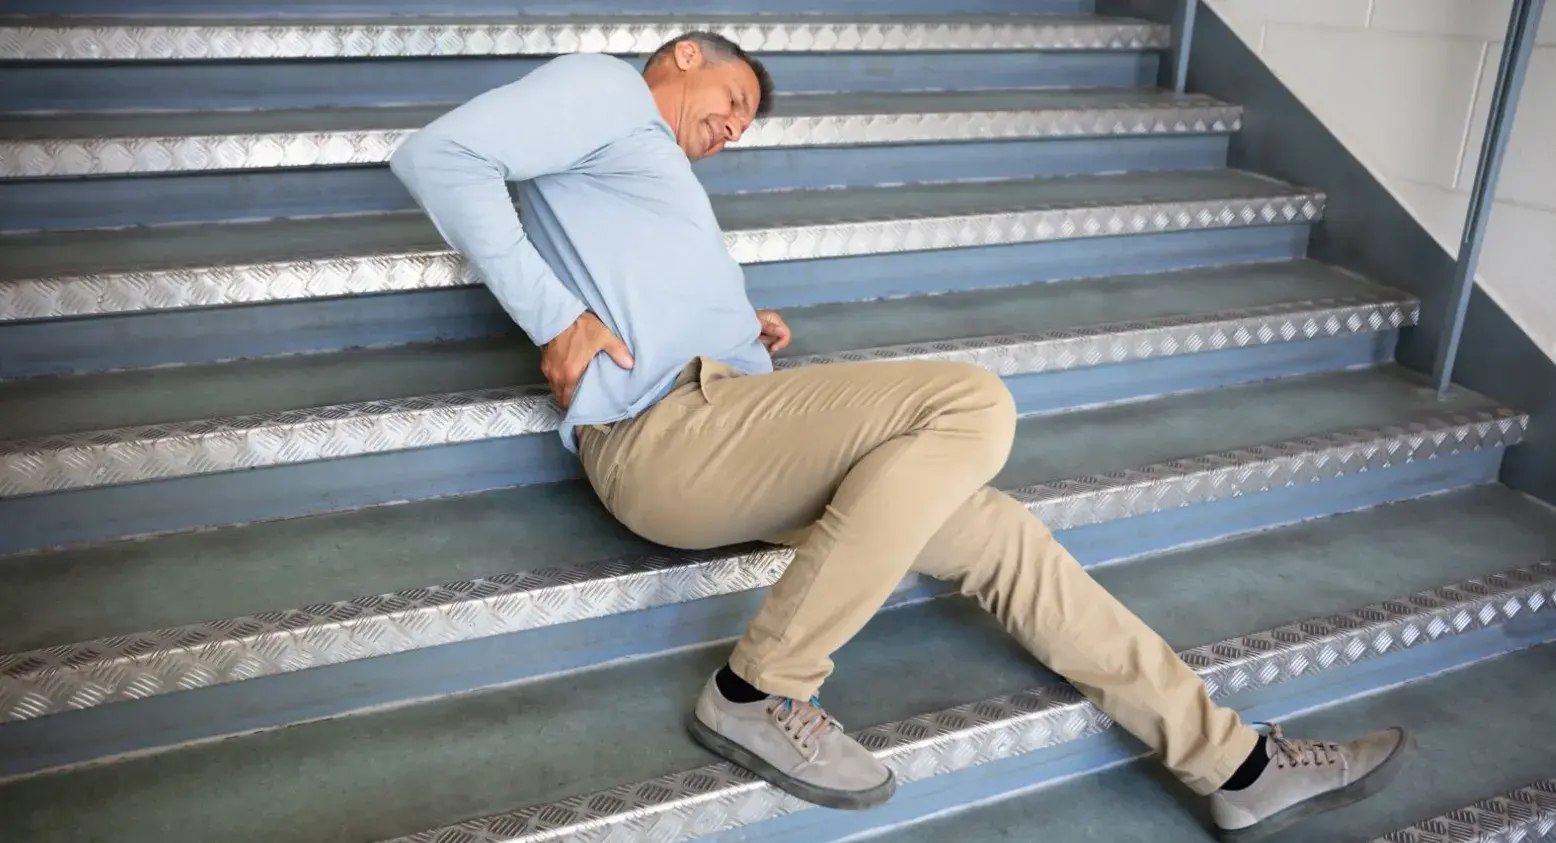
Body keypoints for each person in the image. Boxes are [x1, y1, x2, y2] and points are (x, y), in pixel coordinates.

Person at [390, 31, 1412, 842]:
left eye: (746, 124)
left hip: (721, 422)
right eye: (734, 101)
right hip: (663, 437)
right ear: (685, 56)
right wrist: (550, 318)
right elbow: (440, 153)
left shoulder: (641, 170)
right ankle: (760, 687)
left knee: (1000, 535)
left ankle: (1234, 766)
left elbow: (634, 289)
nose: (735, 126)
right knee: (970, 401)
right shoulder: (607, 88)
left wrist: (739, 335)